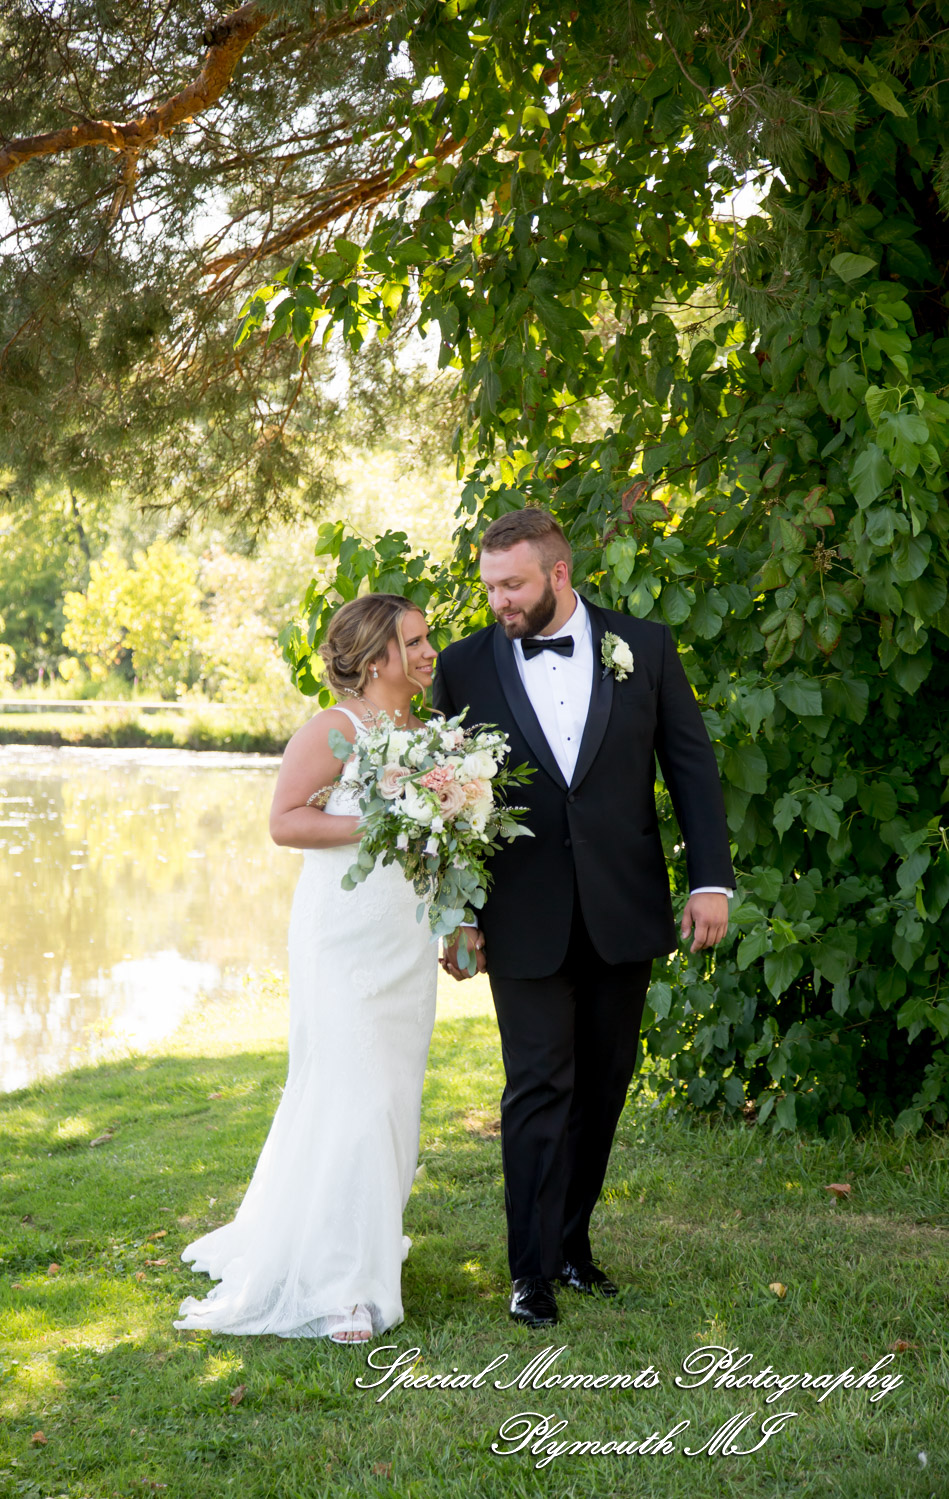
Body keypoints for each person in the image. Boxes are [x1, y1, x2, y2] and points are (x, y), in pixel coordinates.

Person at [434, 509, 734, 1328]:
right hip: (521, 914)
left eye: (513, 584)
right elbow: (445, 801)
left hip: (621, 905)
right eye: (490, 585)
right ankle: (528, 1272)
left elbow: (692, 770)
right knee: (537, 1087)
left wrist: (711, 880)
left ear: (558, 575)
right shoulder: (462, 668)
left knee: (602, 1085)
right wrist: (455, 914)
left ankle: (571, 1243)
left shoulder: (646, 646)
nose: (498, 600)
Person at [174, 594, 439, 1344]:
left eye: (427, 640)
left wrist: (461, 921)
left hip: (407, 939)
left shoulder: (427, 731)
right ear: (377, 657)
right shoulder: (334, 728)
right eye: (414, 642)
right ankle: (341, 1286)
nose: (427, 652)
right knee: (353, 1095)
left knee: (390, 1098)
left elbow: (442, 845)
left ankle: (365, 1238)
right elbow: (285, 818)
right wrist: (385, 821)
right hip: (343, 940)